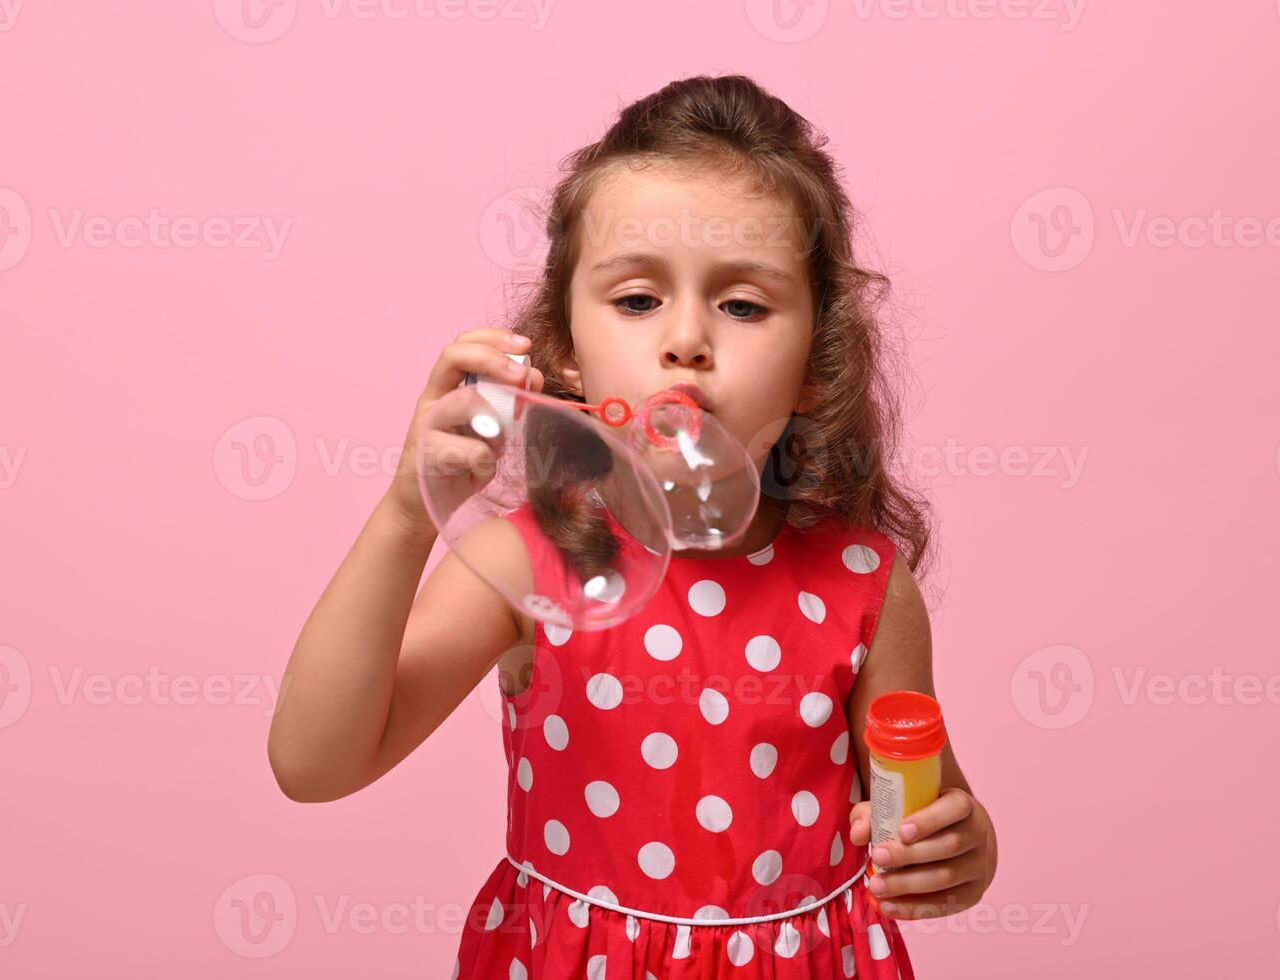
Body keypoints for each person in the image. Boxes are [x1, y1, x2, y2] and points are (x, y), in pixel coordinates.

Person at [268, 73, 998, 978]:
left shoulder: (861, 583)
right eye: (637, 300)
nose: (686, 339)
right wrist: (405, 516)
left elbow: (925, 808)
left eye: (741, 305)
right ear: (567, 352)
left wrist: (958, 852)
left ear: (818, 361)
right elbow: (314, 763)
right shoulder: (528, 565)